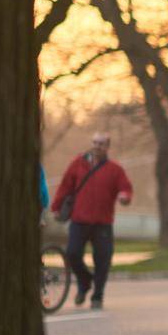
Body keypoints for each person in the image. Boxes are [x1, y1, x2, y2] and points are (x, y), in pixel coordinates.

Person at [50, 132, 134, 310]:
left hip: (102, 223)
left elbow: (125, 188)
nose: (97, 146)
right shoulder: (78, 164)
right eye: (95, 142)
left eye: (102, 144)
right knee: (72, 254)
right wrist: (56, 207)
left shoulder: (115, 169)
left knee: (103, 260)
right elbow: (65, 186)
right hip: (79, 220)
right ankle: (85, 281)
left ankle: (98, 295)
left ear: (107, 147)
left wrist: (124, 197)